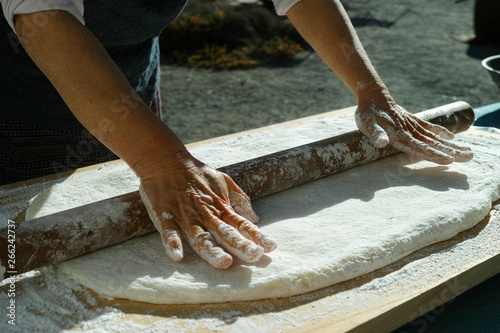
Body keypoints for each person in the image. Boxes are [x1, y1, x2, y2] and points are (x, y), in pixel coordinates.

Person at [0, 0, 473, 269]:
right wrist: (160, 159)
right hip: (17, 108)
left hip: (127, 84)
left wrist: (373, 90)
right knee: (23, 249)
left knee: (166, 200)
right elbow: (46, 20)